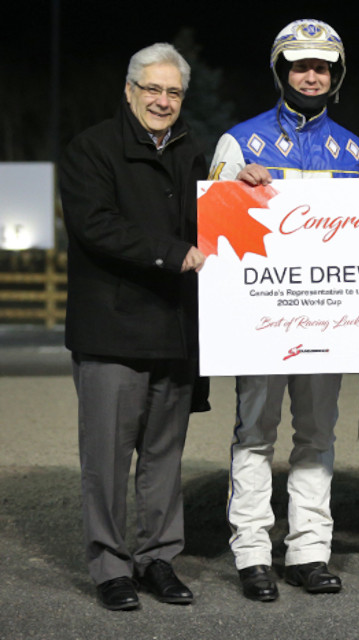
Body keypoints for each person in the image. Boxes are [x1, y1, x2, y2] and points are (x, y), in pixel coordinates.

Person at [208, 18, 359, 602]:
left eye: (321, 66)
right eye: (301, 65)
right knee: (254, 434)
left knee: (317, 435)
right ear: (282, 71)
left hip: (328, 320)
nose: (311, 75)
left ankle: (309, 551)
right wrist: (233, 190)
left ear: (335, 74)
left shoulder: (355, 151)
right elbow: (212, 237)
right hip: (261, 321)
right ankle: (252, 553)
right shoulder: (239, 142)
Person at [60, 42, 206, 611]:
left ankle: (158, 558)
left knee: (164, 457)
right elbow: (96, 226)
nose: (163, 100)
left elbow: (214, 217)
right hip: (112, 331)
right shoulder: (91, 148)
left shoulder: (194, 151)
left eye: (173, 92)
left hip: (174, 330)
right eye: (153, 89)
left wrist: (242, 187)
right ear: (129, 90)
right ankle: (109, 566)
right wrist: (174, 254)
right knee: (107, 458)